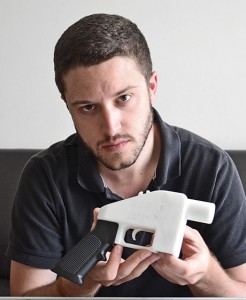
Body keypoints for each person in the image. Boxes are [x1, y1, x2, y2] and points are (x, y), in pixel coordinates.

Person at [6, 13, 246, 297]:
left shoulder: (212, 168)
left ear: (152, 87)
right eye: (87, 107)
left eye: (124, 98)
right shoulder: (45, 175)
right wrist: (83, 283)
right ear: (67, 105)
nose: (111, 128)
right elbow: (24, 296)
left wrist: (204, 275)